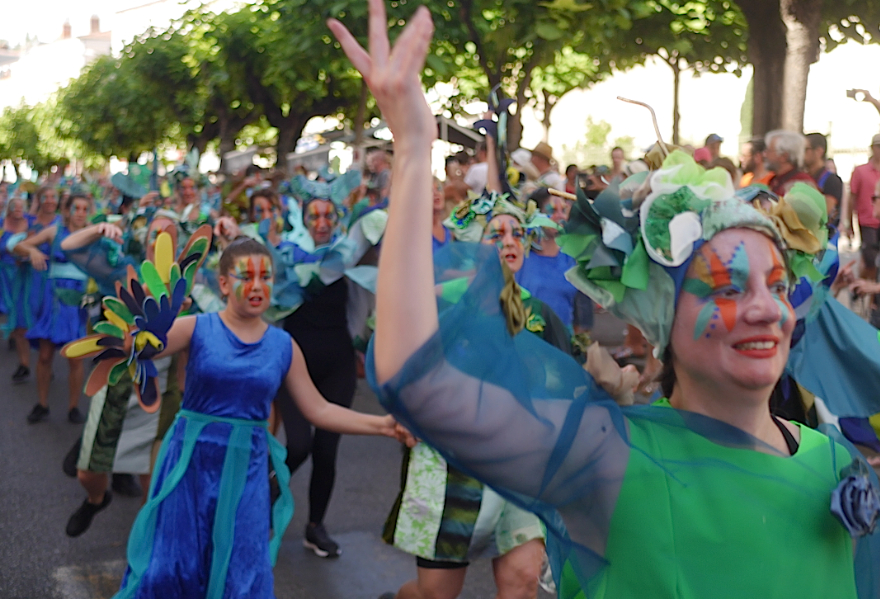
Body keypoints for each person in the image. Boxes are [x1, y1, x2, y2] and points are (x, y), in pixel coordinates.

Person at [328, 4, 879, 598]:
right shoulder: (611, 458)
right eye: (725, 287)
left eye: (776, 286)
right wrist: (413, 148)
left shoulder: (833, 463)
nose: (767, 308)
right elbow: (419, 378)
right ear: (662, 318)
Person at [91, 234, 410, 597]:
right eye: (247, 277)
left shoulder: (282, 345)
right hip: (190, 463)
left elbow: (318, 409)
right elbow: (136, 350)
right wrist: (138, 330)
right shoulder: (198, 327)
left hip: (246, 469)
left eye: (266, 277)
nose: (258, 286)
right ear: (224, 283)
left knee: (241, 570)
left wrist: (383, 426)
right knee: (173, 566)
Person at [15, 194, 91, 424]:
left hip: (77, 302)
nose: (80, 212)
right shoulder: (54, 231)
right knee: (46, 355)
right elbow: (19, 245)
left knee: (76, 358)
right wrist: (33, 251)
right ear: (67, 210)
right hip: (54, 301)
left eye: (85, 209)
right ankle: (42, 404)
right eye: (76, 208)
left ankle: (73, 407)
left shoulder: (93, 234)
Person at [0, 196, 34, 382]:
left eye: (22, 207)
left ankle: (44, 358)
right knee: (16, 316)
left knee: (30, 317)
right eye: (15, 207)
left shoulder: (32, 225)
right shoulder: (1, 223)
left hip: (26, 277)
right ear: (9, 208)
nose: (18, 210)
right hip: (4, 275)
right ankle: (24, 364)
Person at [844, 134, 880, 282]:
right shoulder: (860, 171)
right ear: (872, 148)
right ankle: (870, 295)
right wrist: (849, 224)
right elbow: (852, 198)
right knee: (871, 260)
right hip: (867, 222)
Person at [804, 133, 843, 226]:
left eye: (805, 149)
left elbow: (824, 213)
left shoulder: (831, 180)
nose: (801, 154)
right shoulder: (803, 177)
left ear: (819, 151)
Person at [765, 129, 816, 197]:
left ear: (784, 156)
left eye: (769, 151)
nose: (764, 154)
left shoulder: (801, 183)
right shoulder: (775, 180)